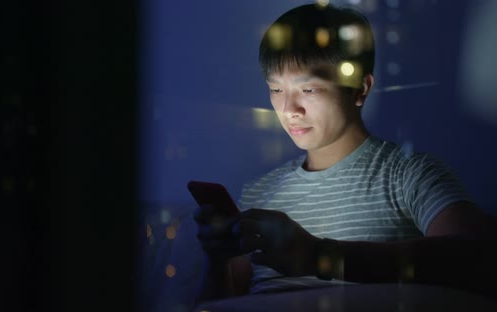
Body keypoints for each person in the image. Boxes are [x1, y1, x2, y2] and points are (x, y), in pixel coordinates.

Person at [193, 2, 497, 306]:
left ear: (359, 89)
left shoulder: (408, 174)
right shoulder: (259, 192)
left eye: (308, 90)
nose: (289, 110)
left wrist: (318, 256)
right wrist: (217, 259)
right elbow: (222, 302)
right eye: (276, 90)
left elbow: (478, 258)